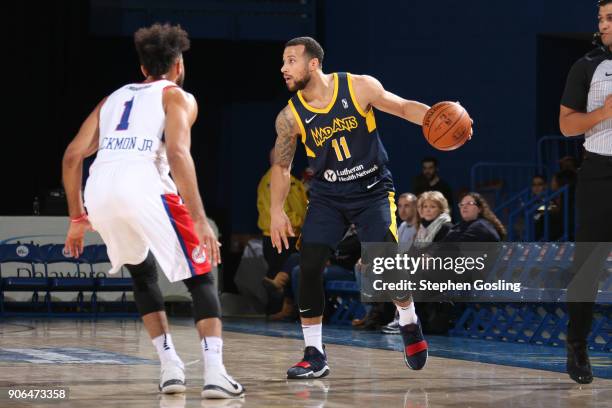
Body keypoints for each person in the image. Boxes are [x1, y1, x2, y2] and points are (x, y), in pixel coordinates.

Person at [269, 36, 473, 378]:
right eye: (283, 61)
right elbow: (282, 167)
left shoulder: (358, 87)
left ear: (314, 63)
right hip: (327, 196)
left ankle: (408, 320)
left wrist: (442, 119)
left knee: (385, 263)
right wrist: (276, 210)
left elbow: (404, 106)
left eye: (291, 60)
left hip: (372, 190)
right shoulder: (289, 118)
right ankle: (314, 353)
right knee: (309, 264)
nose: (283, 67)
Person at [61, 23, 244, 398]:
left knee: (142, 276)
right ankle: (215, 373)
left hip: (99, 189)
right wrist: (198, 218)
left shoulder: (111, 99)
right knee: (201, 274)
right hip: (143, 183)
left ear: (143, 68)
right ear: (178, 64)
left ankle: (170, 368)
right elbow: (178, 153)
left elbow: (72, 156)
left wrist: (77, 218)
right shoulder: (178, 97)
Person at [559, 0, 612, 384]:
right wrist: (603, 113)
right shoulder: (587, 65)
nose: (604, 25)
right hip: (600, 171)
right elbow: (566, 126)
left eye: (610, 18)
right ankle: (576, 344)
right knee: (588, 264)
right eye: (601, 19)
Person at [258, 147, 307, 313]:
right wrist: (302, 222)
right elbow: (280, 210)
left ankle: (286, 310)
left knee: (284, 272)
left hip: (294, 235)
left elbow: (303, 204)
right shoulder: (272, 180)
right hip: (279, 234)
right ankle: (275, 310)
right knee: (276, 272)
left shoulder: (292, 180)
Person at [382, 192, 420, 335]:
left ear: (416, 207)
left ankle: (403, 317)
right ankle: (374, 314)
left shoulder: (420, 227)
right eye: (400, 206)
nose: (402, 210)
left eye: (407, 206)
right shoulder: (402, 226)